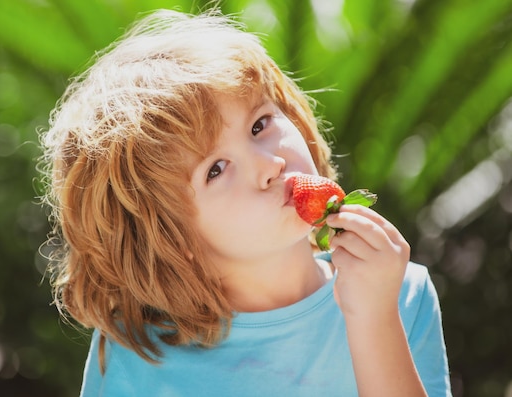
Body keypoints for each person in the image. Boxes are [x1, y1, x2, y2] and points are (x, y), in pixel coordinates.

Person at [39, 8, 451, 397]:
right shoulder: (137, 353)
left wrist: (376, 321)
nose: (268, 163)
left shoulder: (399, 293)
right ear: (171, 236)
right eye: (215, 169)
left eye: (260, 124)